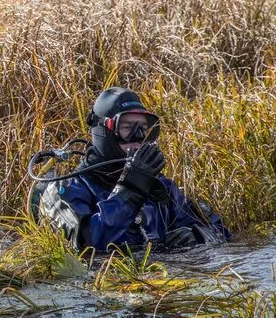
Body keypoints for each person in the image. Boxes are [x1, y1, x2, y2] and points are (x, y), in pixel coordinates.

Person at [32, 87, 230, 252]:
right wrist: (131, 189)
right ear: (104, 131)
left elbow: (221, 233)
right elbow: (86, 246)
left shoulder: (161, 189)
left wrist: (197, 237)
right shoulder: (66, 189)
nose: (138, 136)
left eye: (143, 128)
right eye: (127, 127)